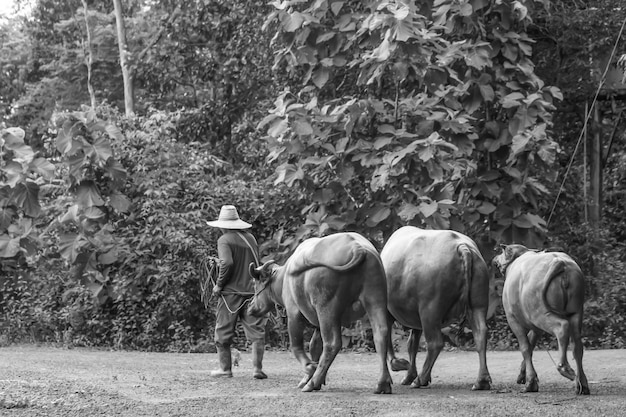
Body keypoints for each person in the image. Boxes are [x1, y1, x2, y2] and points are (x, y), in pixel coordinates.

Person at [206, 204, 268, 379]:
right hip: (252, 292)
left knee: (223, 330)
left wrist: (218, 285)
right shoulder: (251, 238)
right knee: (256, 331)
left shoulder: (224, 240)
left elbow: (227, 263)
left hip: (231, 294)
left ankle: (225, 369)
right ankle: (257, 369)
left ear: (222, 225)